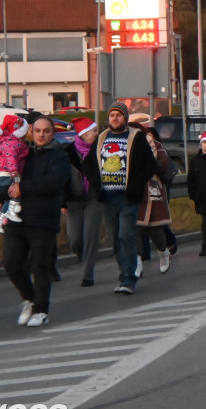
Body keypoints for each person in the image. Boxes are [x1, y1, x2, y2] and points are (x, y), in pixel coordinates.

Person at [82, 103, 157, 296]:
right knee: (115, 239)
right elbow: (88, 164)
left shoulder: (136, 137)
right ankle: (123, 273)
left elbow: (150, 164)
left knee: (126, 235)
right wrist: (96, 183)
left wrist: (137, 184)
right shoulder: (102, 138)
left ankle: (129, 279)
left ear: (125, 118)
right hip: (107, 198)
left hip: (128, 198)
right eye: (112, 115)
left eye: (118, 115)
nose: (115, 119)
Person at [3, 116, 71, 325]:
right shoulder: (24, 153)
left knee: (39, 266)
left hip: (43, 220)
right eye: (38, 130)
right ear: (31, 131)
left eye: (46, 131)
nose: (41, 134)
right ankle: (31, 299)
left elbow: (54, 182)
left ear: (53, 133)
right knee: (11, 264)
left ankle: (41, 311)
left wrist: (24, 187)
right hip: (18, 218)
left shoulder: (59, 157)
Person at [64, 117, 103, 287]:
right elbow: (62, 179)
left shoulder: (101, 150)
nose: (96, 134)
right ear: (83, 134)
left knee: (90, 236)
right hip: (74, 199)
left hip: (94, 198)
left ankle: (88, 274)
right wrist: (62, 202)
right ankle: (84, 260)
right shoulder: (68, 153)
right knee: (75, 239)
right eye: (93, 131)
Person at [136, 126, 173, 275]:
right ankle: (137, 261)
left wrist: (151, 166)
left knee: (155, 228)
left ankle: (163, 252)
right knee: (136, 226)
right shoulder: (128, 146)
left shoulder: (156, 146)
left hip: (153, 188)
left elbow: (163, 164)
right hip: (136, 189)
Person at [0, 114, 30, 232]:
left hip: (3, 175)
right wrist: (15, 176)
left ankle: (0, 221)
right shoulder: (12, 144)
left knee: (9, 199)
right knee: (16, 193)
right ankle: (11, 213)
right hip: (8, 174)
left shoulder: (8, 142)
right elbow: (11, 160)